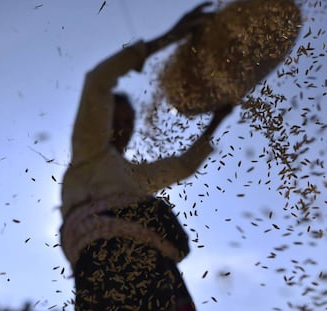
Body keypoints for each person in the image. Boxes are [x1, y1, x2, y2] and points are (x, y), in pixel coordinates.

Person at [60, 3, 233, 310]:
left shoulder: (132, 177)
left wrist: (217, 119)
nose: (124, 129)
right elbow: (97, 80)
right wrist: (170, 36)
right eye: (117, 120)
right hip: (107, 262)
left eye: (129, 123)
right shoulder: (89, 151)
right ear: (101, 119)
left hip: (156, 266)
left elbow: (182, 165)